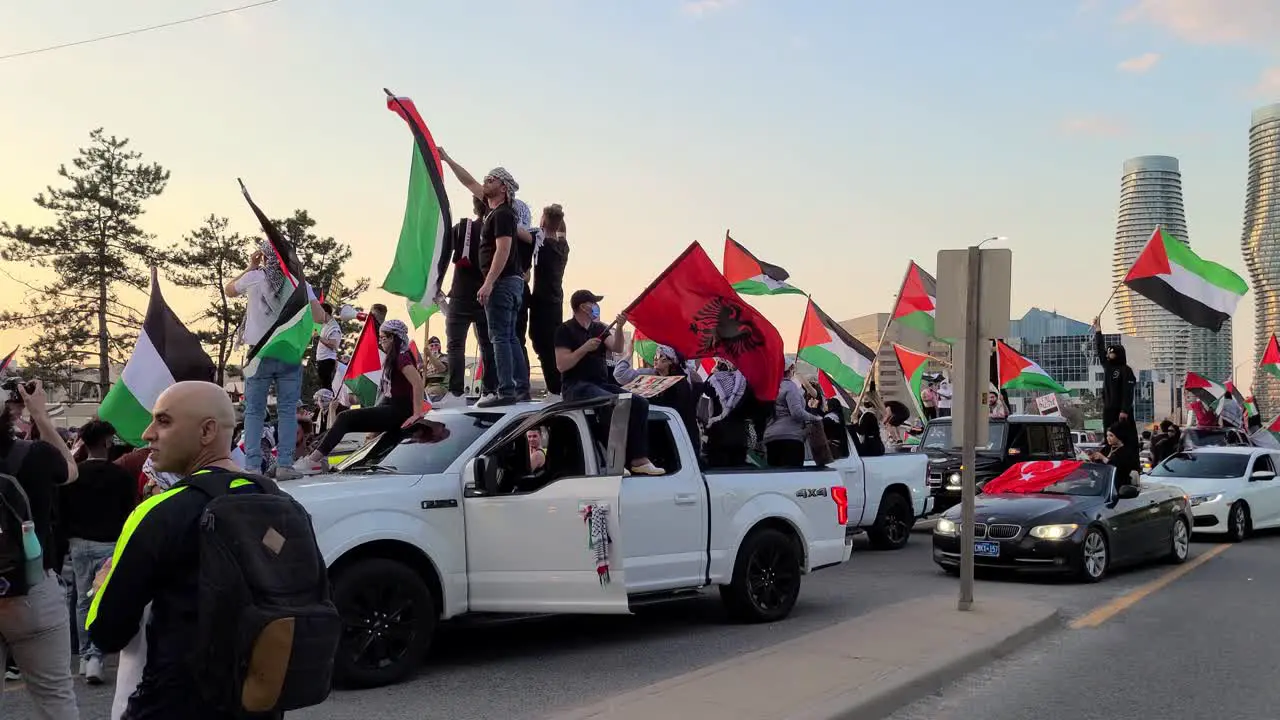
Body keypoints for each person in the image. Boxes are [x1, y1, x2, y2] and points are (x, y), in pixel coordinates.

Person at [85, 382, 300, 719]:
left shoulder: (158, 512)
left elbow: (108, 633)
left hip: (172, 705)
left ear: (207, 431)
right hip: (259, 703)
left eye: (163, 421)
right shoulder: (284, 504)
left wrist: (102, 587)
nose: (147, 433)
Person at [0, 380, 79, 719]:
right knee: (55, 697)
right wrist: (41, 416)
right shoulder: (32, 455)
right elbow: (70, 471)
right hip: (32, 590)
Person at [438, 148, 531, 406]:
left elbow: (503, 249)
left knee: (499, 336)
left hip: (502, 283)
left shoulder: (501, 214)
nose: (485, 182)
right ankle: (520, 388)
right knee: (509, 336)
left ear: (503, 188)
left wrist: (489, 282)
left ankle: (505, 391)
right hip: (510, 283)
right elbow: (468, 182)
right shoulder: (495, 209)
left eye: (491, 180)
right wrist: (447, 159)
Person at [225, 242, 322, 480]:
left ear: (266, 258)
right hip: (288, 352)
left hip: (259, 352)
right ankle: (285, 465)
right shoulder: (299, 283)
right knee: (288, 410)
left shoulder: (255, 277)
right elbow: (320, 316)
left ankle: (252, 467)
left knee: (254, 411)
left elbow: (229, 290)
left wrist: (250, 266)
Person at [58, 419, 136, 685]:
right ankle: (95, 654)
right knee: (102, 598)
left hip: (79, 544)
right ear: (106, 441)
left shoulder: (75, 475)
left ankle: (84, 655)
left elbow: (62, 512)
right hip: (110, 544)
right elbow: (130, 513)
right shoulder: (122, 476)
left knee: (82, 599)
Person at [295, 320, 426, 474]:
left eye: (384, 337)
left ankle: (313, 461)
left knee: (345, 418)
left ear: (394, 338)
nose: (381, 340)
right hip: (392, 407)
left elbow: (417, 383)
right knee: (346, 422)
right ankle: (319, 458)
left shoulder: (402, 357)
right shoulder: (393, 359)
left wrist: (417, 414)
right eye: (380, 337)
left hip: (400, 410)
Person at [554, 290, 664, 475]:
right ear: (583, 306)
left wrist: (620, 327)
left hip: (600, 384)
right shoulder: (564, 330)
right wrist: (584, 348)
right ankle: (613, 460)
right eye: (593, 303)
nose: (596, 307)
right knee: (610, 402)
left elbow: (617, 347)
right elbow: (562, 365)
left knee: (639, 403)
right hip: (576, 386)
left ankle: (639, 459)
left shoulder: (599, 328)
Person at [441, 196, 499, 405]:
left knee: (455, 346)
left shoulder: (462, 228)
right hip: (486, 295)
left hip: (460, 294)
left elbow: (443, 254)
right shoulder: (496, 232)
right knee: (488, 345)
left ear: (474, 207)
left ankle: (455, 393)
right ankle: (490, 390)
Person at [614, 342, 701, 454]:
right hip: (652, 433)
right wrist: (629, 353)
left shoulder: (681, 383)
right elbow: (620, 374)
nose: (655, 359)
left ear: (670, 361)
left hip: (675, 435)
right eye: (655, 356)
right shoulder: (648, 375)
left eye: (660, 357)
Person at [528, 204, 569, 400]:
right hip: (556, 303)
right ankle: (556, 388)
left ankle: (554, 390)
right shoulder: (562, 247)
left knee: (542, 345)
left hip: (542, 302)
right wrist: (559, 216)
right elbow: (562, 231)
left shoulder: (541, 245)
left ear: (543, 221)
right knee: (551, 346)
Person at [1092, 317, 1136, 443]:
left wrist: (1124, 410)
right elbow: (1100, 350)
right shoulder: (1108, 366)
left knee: (1122, 435)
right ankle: (1107, 449)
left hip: (1121, 410)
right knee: (1109, 433)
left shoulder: (1126, 370)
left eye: (1111, 352)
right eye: (1108, 352)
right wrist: (1098, 330)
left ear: (1118, 354)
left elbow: (1128, 392)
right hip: (1108, 407)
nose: (1108, 354)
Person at [702, 362, 753, 468]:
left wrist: (714, 372)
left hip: (717, 436)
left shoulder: (715, 380)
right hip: (738, 437)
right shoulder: (745, 383)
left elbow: (706, 390)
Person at [763, 365, 815, 468]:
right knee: (793, 478)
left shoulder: (770, 387)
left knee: (775, 477)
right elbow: (796, 413)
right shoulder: (790, 386)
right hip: (791, 438)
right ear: (790, 370)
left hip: (771, 438)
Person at [1089, 423, 1140, 488]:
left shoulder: (1126, 451)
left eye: (1111, 436)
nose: (1108, 438)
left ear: (1119, 436)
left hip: (1118, 486)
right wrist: (1092, 458)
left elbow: (1119, 468)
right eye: (1107, 436)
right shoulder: (1106, 449)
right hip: (1103, 484)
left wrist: (1103, 458)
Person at [314, 302, 342, 392]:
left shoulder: (334, 327)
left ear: (325, 313)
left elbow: (333, 345)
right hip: (322, 360)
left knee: (327, 386)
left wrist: (319, 338)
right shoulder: (325, 325)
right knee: (324, 385)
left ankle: (328, 403)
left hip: (327, 360)